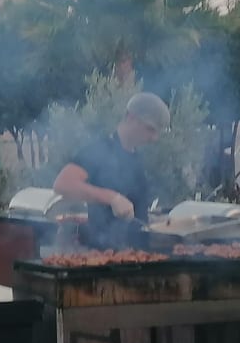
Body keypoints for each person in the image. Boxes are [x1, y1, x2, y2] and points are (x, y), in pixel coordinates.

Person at [53, 92, 171, 250]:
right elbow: (63, 184)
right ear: (131, 118)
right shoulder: (99, 149)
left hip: (138, 254)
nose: (154, 138)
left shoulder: (137, 157)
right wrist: (112, 198)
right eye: (150, 129)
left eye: (157, 132)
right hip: (106, 254)